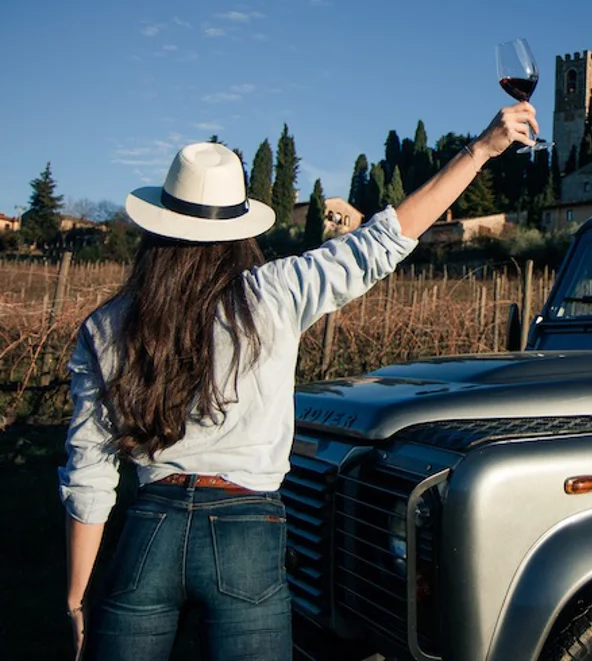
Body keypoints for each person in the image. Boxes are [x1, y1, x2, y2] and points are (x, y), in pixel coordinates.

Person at [59, 102, 538, 660]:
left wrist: (75, 596)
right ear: (239, 228)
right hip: (247, 528)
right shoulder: (274, 292)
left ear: (159, 224)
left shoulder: (107, 324)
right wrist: (479, 149)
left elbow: (88, 474)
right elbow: (385, 239)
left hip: (147, 528)